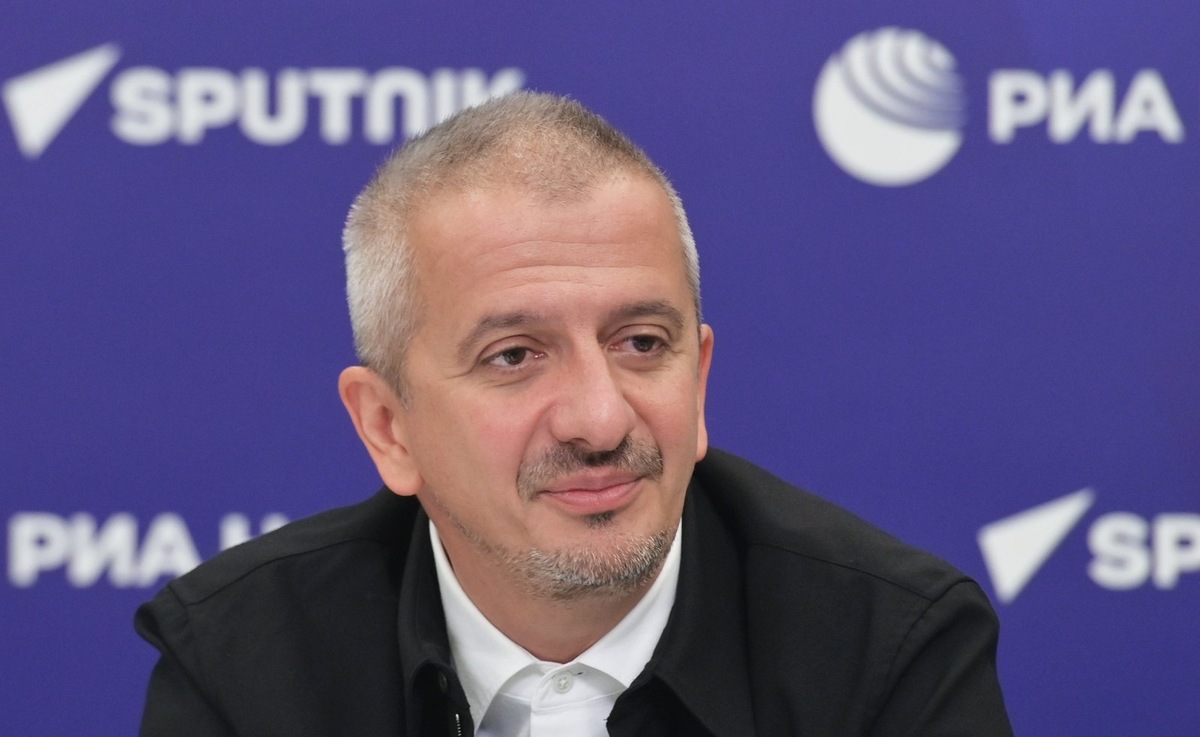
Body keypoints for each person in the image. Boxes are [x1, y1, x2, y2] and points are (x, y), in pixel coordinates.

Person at [135, 91, 1013, 736]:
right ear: (388, 428)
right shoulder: (245, 664)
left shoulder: (885, 653)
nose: (599, 420)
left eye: (641, 342)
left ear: (699, 382)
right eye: (514, 356)